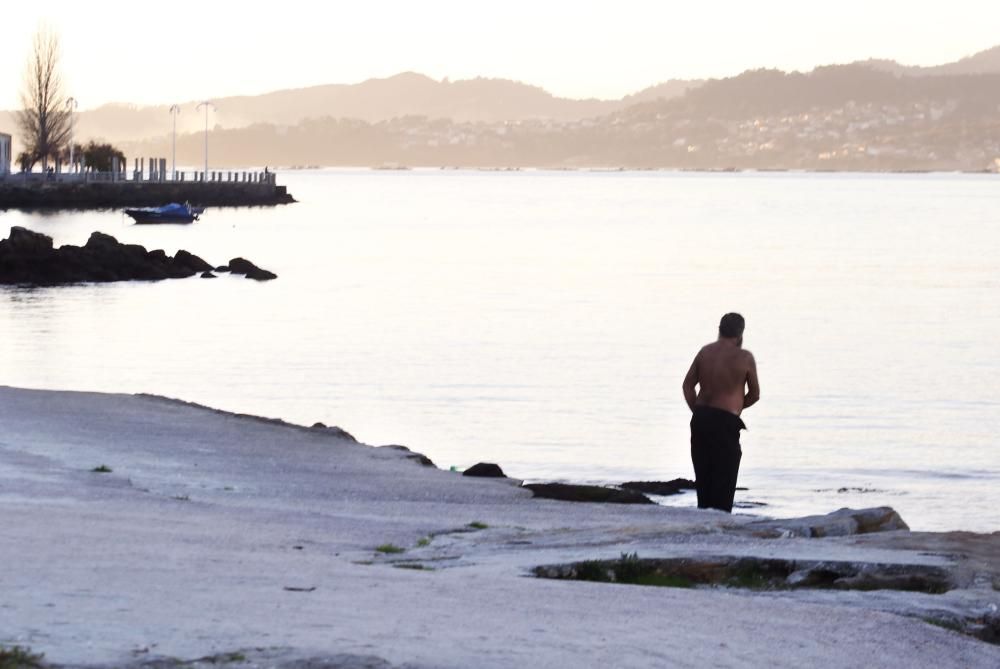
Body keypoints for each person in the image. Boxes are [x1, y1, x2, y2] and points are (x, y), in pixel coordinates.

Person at [682, 313, 760, 512]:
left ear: (719, 329)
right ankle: (721, 524)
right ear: (741, 333)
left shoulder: (705, 351)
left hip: (700, 418)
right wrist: (736, 409)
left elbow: (687, 386)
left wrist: (696, 410)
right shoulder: (745, 357)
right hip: (725, 421)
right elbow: (755, 394)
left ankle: (703, 517)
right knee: (724, 478)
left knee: (704, 475)